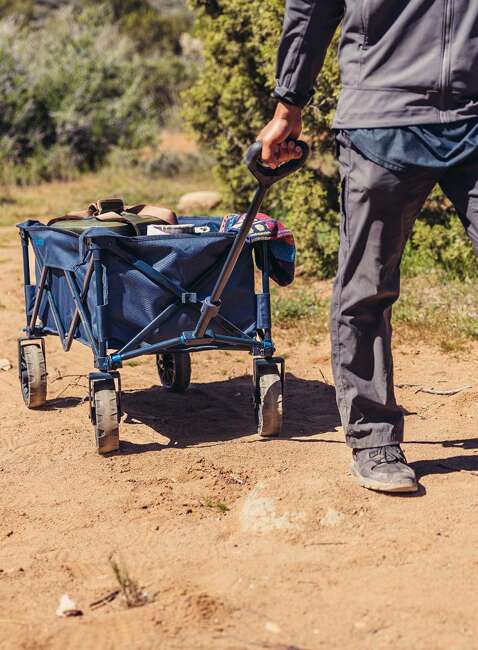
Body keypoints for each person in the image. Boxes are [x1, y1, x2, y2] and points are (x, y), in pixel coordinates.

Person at [258, 0, 478, 493]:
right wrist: (287, 105)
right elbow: (310, 10)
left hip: (474, 113)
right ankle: (373, 436)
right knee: (368, 284)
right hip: (383, 118)